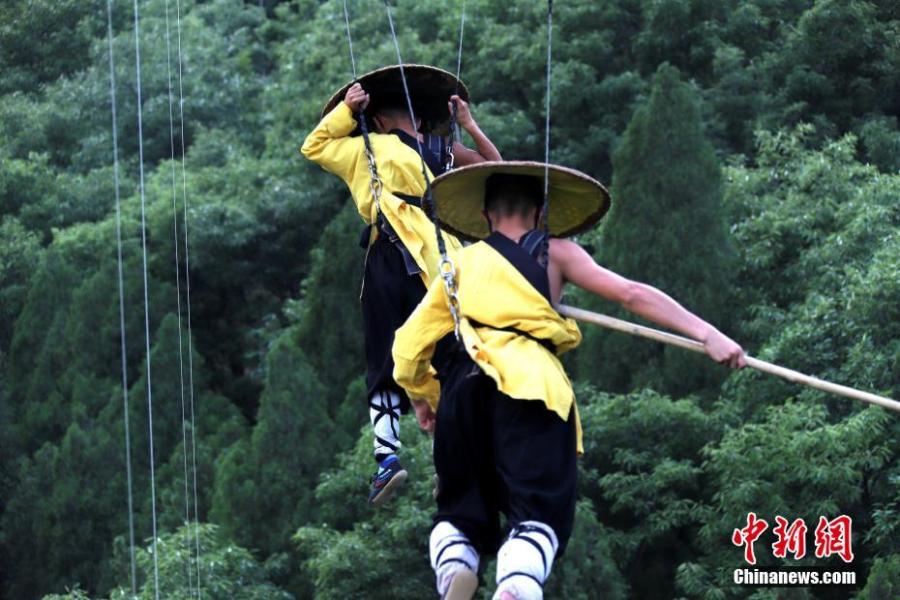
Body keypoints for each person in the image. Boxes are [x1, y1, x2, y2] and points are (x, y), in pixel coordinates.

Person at [392, 161, 746, 600]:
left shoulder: (461, 262)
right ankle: (517, 587)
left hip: (463, 387)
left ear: (485, 215)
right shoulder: (554, 252)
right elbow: (631, 294)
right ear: (541, 213)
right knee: (538, 505)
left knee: (462, 505)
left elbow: (407, 346)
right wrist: (707, 334)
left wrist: (425, 397)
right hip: (529, 386)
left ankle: (455, 566)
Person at [300, 65, 501, 507]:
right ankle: (390, 460)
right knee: (390, 353)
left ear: (376, 115)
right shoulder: (363, 148)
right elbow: (314, 145)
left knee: (443, 352)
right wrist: (348, 113)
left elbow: (496, 171)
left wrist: (468, 126)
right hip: (401, 250)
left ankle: (445, 456)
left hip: (434, 254)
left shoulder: (439, 148)